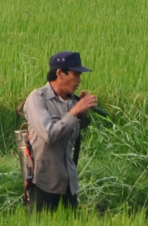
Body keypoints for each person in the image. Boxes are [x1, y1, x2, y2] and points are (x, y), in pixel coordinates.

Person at [23, 50, 97, 211]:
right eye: (75, 75)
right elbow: (49, 134)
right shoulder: (37, 99)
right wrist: (75, 112)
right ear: (59, 73)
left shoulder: (71, 101)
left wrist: (81, 113)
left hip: (69, 183)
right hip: (44, 182)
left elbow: (72, 135)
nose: (79, 80)